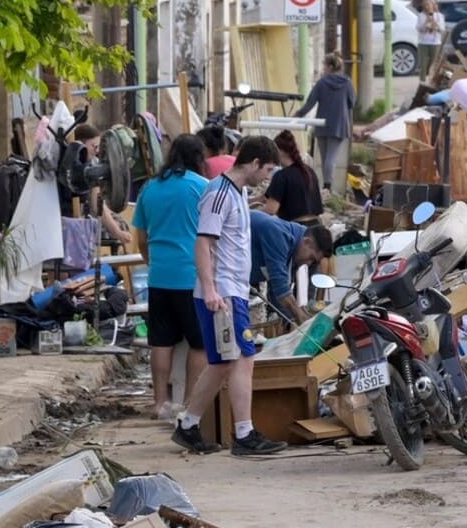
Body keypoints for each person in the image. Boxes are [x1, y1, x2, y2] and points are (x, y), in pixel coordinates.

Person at [171, 136, 287, 456]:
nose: (267, 177)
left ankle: (190, 423)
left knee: (224, 361)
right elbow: (203, 243)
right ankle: (243, 432)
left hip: (231, 288)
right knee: (241, 358)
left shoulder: (237, 192)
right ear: (253, 164)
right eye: (267, 170)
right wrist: (210, 288)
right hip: (222, 291)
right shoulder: (219, 193)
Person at [132, 135, 210, 421]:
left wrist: (152, 262)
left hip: (159, 275)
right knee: (200, 342)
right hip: (192, 276)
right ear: (198, 158)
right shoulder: (202, 187)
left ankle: (160, 402)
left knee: (161, 342)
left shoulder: (150, 188)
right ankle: (188, 402)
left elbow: (140, 238)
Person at [249, 210, 334, 326]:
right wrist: (300, 321)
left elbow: (276, 295)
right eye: (311, 258)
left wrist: (295, 318)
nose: (308, 264)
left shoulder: (295, 246)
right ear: (306, 242)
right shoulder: (278, 235)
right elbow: (281, 288)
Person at [63, 124, 134, 248]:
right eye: (94, 146)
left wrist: (118, 232)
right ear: (81, 145)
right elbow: (97, 207)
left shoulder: (94, 163)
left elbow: (99, 205)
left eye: (98, 147)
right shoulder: (72, 166)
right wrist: (117, 233)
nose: (97, 151)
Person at [295, 53, 357, 191]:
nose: (323, 68)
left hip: (322, 123)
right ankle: (328, 186)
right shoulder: (347, 83)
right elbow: (352, 102)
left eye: (324, 65)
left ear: (330, 66)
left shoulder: (321, 83)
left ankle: (325, 186)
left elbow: (310, 103)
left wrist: (298, 115)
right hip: (340, 124)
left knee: (324, 157)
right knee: (332, 157)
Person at [262, 130, 323, 225]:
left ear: (281, 151)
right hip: (316, 226)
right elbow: (269, 196)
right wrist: (249, 201)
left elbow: (271, 210)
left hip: (295, 228)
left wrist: (250, 214)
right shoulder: (309, 171)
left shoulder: (281, 176)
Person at [416, 0, 446, 82]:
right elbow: (418, 28)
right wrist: (426, 21)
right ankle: (422, 81)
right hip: (423, 42)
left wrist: (435, 24)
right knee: (423, 63)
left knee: (434, 62)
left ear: (433, 5)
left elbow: (442, 29)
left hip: (435, 42)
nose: (427, 7)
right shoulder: (421, 15)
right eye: (425, 5)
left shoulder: (439, 16)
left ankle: (432, 80)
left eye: (429, 5)